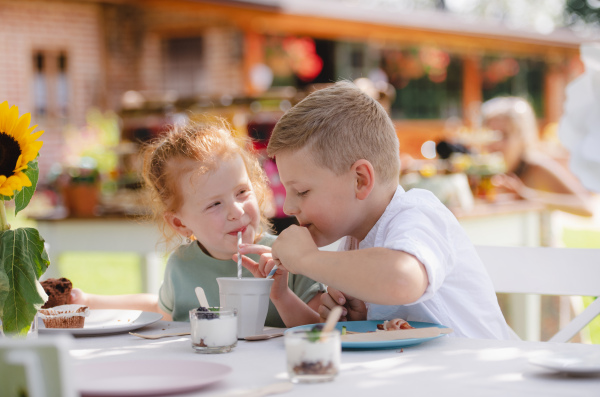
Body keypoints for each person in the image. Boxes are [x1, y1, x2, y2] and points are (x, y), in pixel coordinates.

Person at [243, 80, 514, 339]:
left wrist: (307, 260)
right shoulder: (353, 241)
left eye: (302, 191)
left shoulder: (418, 214)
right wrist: (283, 297)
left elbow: (402, 280)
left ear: (360, 180)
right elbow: (332, 339)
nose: (289, 206)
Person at [72, 119, 323, 327]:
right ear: (181, 224)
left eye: (242, 192)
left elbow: (324, 329)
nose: (236, 211)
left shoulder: (290, 259)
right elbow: (160, 309)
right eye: (215, 204)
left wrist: (282, 296)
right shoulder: (182, 266)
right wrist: (89, 301)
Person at [481, 96, 594, 217]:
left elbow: (585, 207)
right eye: (491, 135)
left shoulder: (535, 167)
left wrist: (527, 196)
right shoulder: (484, 171)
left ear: (522, 137)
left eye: (504, 135)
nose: (495, 144)